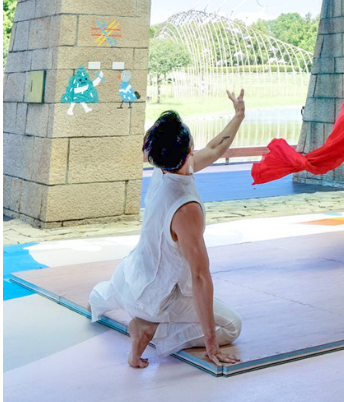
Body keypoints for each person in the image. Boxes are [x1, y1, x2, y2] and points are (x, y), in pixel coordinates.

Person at [89, 92, 248, 369]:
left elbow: (214, 148)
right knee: (233, 326)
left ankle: (102, 302)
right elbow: (200, 277)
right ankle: (148, 327)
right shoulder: (186, 210)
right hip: (156, 298)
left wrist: (238, 117)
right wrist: (211, 343)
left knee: (103, 295)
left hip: (128, 277)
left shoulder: (163, 170)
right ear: (188, 149)